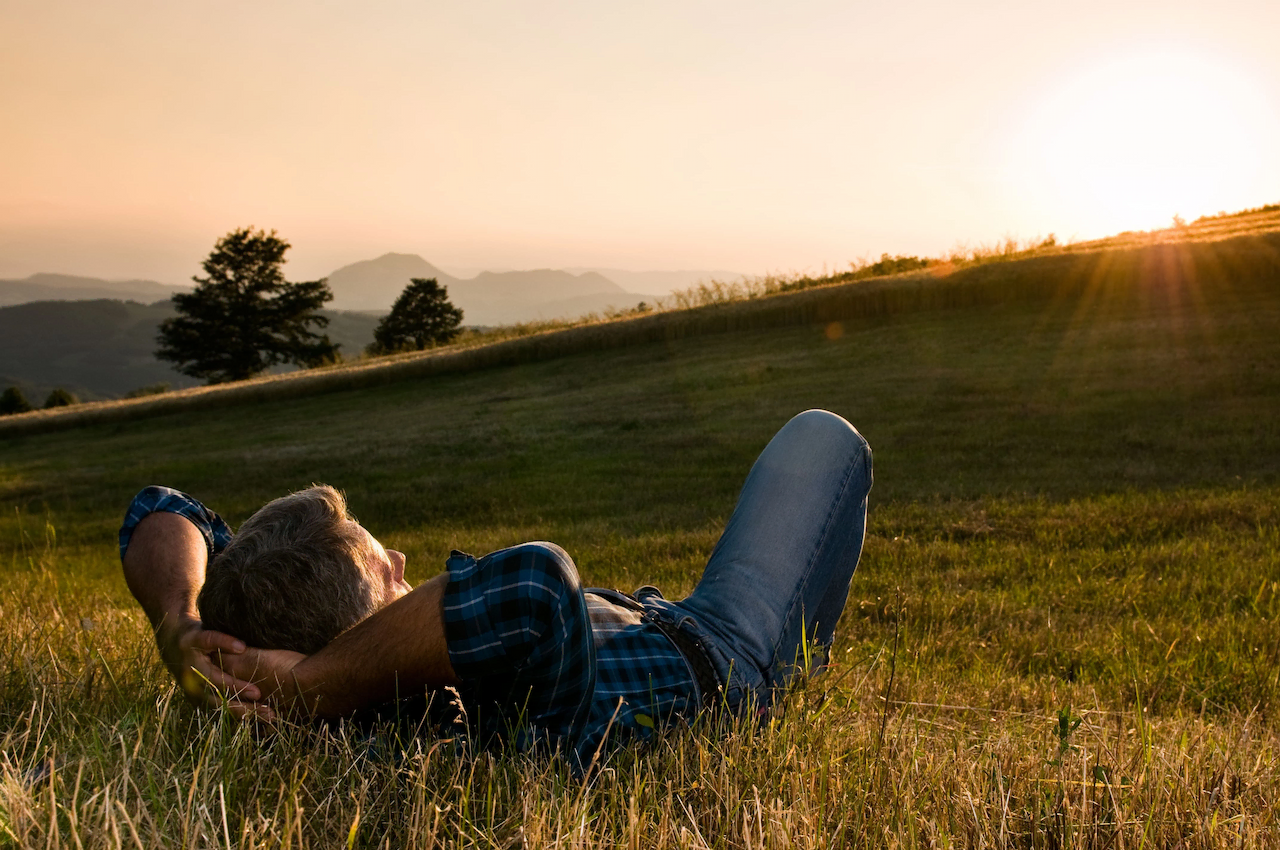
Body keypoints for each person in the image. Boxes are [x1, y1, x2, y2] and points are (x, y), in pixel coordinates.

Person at [120, 409, 872, 766]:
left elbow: (160, 507)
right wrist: (316, 685)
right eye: (392, 573)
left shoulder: (255, 621)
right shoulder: (460, 716)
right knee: (823, 439)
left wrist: (179, 624)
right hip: (725, 652)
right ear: (368, 635)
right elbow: (537, 581)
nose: (407, 563)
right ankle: (794, 664)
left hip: (649, 614)